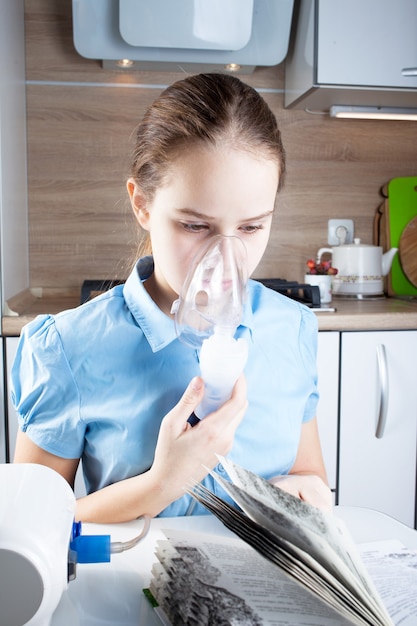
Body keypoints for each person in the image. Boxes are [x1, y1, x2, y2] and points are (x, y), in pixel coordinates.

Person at [11, 73, 331, 523]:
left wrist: (306, 492)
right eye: (195, 226)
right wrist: (162, 483)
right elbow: (28, 530)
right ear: (142, 204)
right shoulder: (68, 347)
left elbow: (310, 476)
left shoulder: (291, 329)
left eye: (252, 227)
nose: (225, 258)